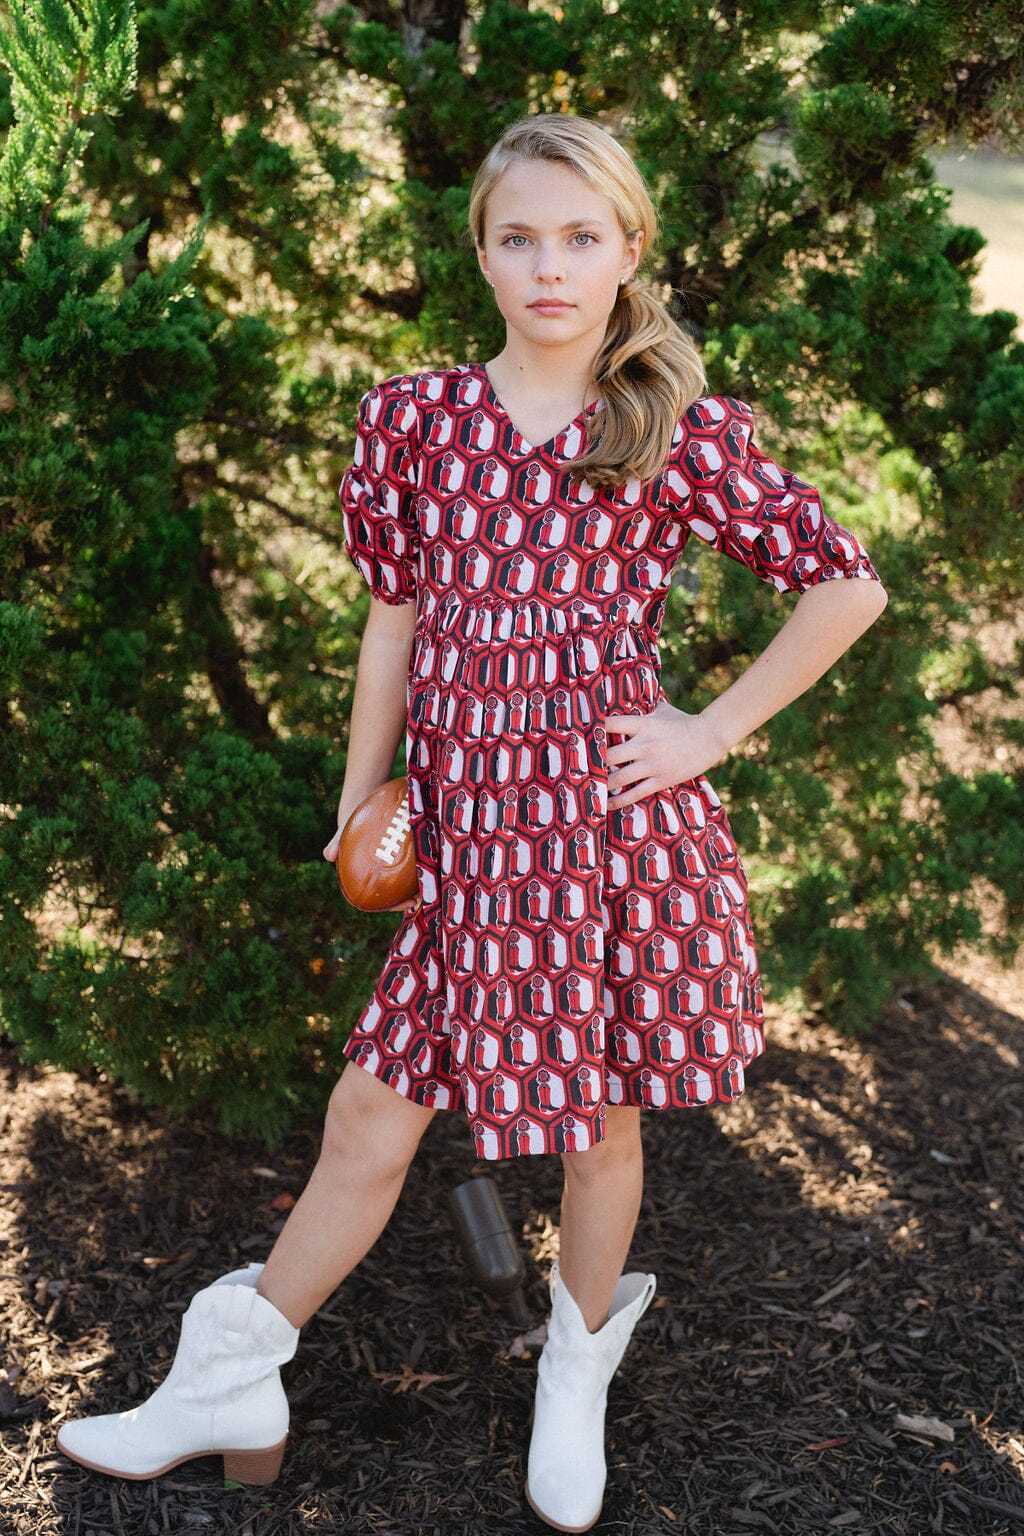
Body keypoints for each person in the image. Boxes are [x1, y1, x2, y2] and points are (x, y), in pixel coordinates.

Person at [57, 114, 887, 1531]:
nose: (549, 267)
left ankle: (575, 1379)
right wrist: (356, 800)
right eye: (519, 238)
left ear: (629, 251)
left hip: (606, 833)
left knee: (601, 1128)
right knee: (369, 1112)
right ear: (483, 253)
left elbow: (846, 586)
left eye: (581, 237)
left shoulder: (671, 428)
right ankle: (231, 1380)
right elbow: (393, 619)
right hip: (463, 838)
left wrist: (708, 731)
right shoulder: (417, 420)